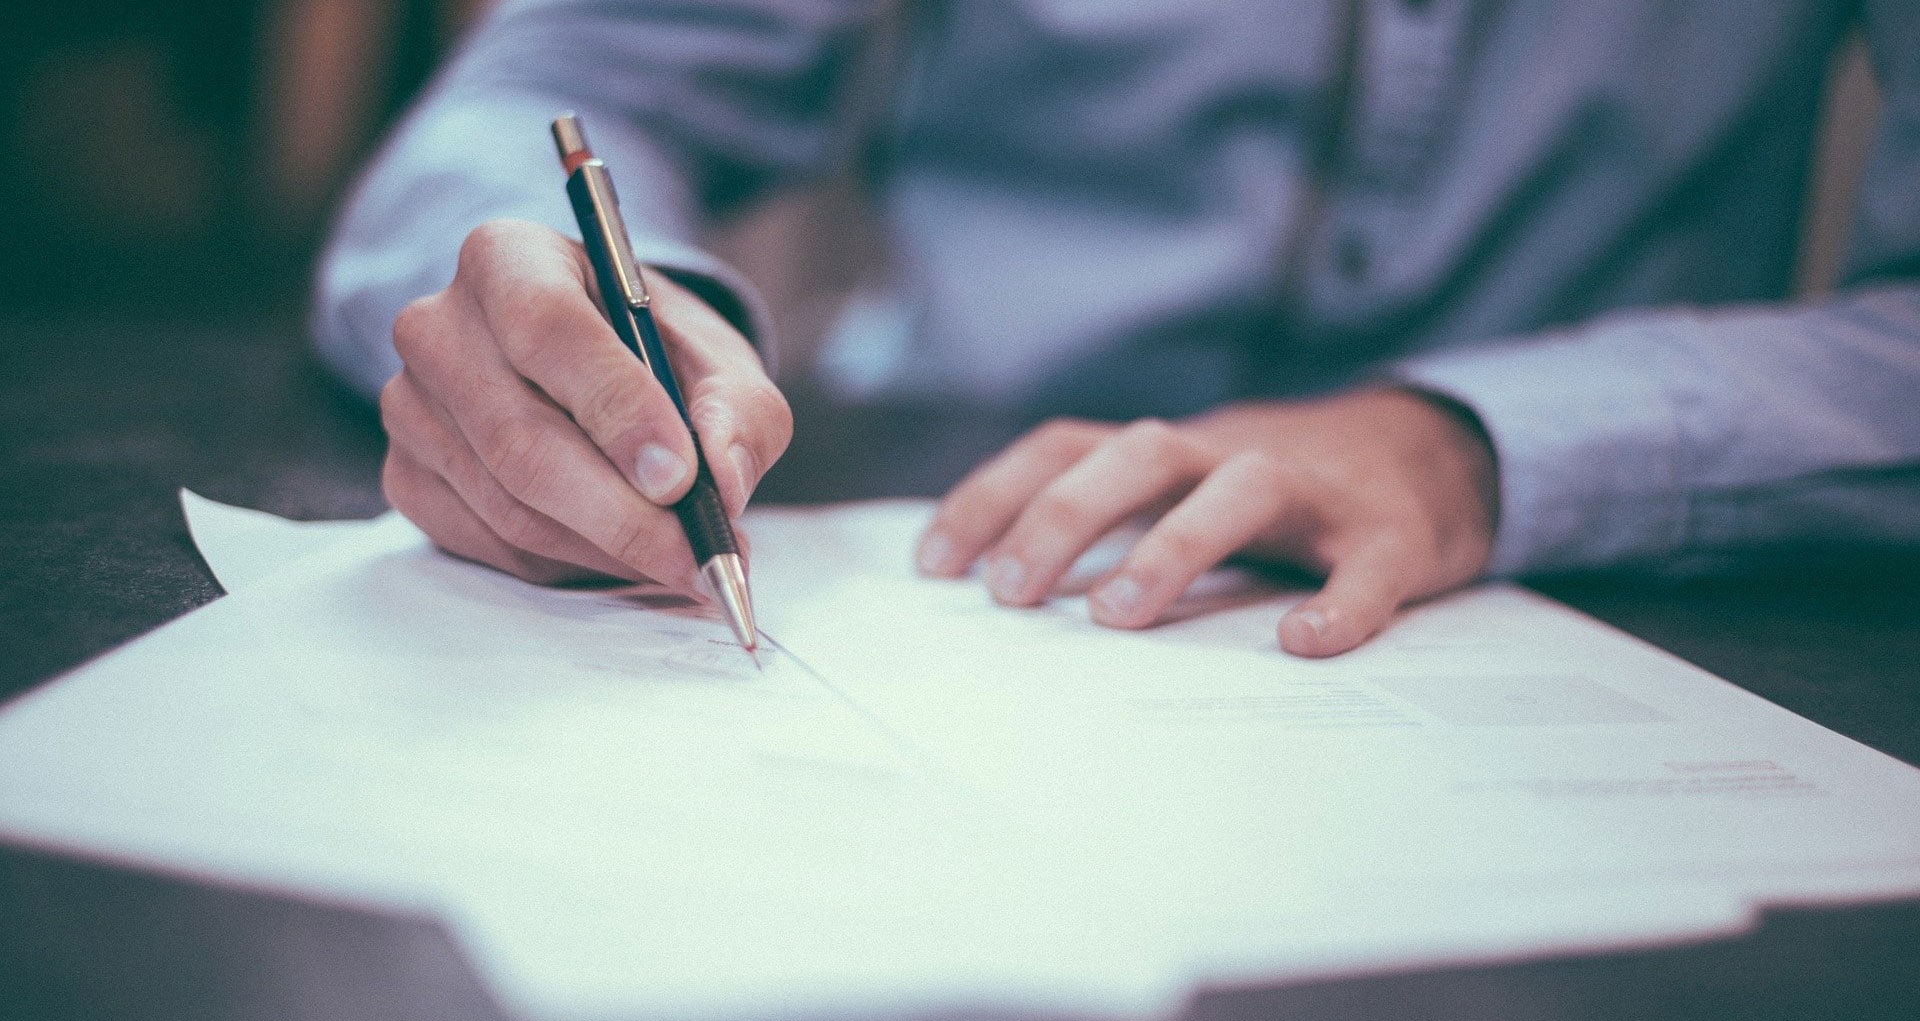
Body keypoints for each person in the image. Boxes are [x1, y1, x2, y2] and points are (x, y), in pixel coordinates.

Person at [312, 0, 1920, 657]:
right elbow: (548, 92)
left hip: (1613, 600)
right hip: (944, 536)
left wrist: (1477, 443)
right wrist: (604, 328)